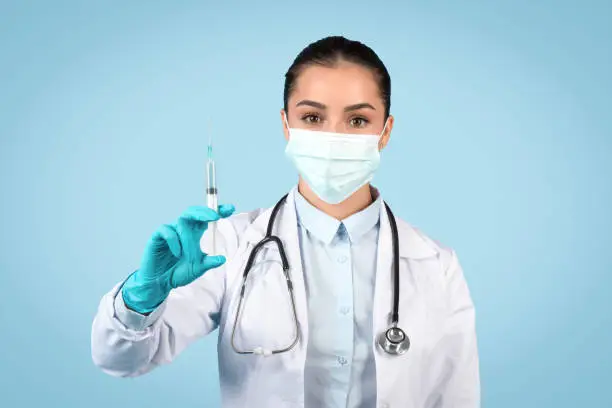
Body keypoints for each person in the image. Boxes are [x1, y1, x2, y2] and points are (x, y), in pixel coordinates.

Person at [91, 35, 480, 408]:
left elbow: (458, 398)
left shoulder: (436, 265)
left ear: (385, 132)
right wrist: (141, 298)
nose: (333, 137)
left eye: (357, 121)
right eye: (312, 117)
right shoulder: (229, 244)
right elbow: (120, 359)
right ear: (285, 126)